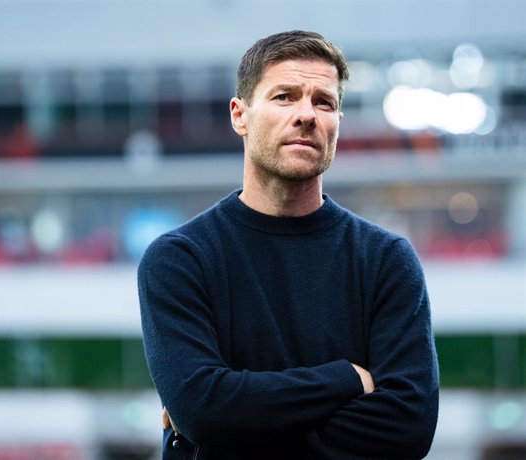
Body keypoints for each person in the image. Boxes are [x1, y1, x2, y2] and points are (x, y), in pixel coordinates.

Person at [137, 30, 439, 459]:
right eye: (284, 96)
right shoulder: (180, 259)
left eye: (324, 102)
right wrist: (347, 380)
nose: (306, 115)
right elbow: (204, 410)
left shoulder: (385, 260)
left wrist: (231, 431)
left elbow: (409, 426)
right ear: (240, 115)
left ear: (337, 122)